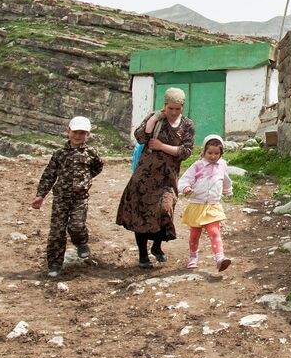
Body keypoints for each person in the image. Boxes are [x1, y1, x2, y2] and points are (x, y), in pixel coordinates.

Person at [116, 87, 194, 268]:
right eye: (170, 108)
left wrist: (161, 146)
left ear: (182, 106)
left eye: (178, 108)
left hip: (167, 178)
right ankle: (143, 255)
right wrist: (154, 118)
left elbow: (186, 151)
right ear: (165, 105)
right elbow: (140, 137)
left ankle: (157, 247)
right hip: (144, 177)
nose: (174, 112)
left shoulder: (187, 125)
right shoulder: (155, 118)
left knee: (165, 210)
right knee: (140, 215)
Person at [31, 115, 104, 278]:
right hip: (61, 199)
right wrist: (40, 195)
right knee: (57, 231)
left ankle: (81, 242)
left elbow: (98, 167)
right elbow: (49, 175)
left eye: (82, 133)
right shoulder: (59, 154)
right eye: (75, 132)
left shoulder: (91, 153)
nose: (78, 136)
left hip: (80, 198)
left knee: (77, 226)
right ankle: (55, 264)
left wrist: (85, 179)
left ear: (88, 135)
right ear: (68, 132)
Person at [178, 134, 234, 272]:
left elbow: (226, 180)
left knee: (214, 232)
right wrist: (185, 187)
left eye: (216, 153)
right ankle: (193, 256)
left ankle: (219, 258)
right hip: (197, 204)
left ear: (221, 153)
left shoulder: (222, 165)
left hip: (213, 205)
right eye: (210, 153)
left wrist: (228, 191)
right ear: (203, 151)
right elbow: (185, 179)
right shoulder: (198, 165)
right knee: (194, 235)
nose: (213, 156)